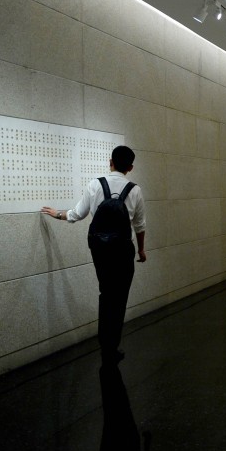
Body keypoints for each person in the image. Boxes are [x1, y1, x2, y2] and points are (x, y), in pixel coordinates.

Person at [42, 145, 147, 362]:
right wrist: (142, 249)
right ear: (130, 167)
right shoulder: (135, 190)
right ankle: (112, 347)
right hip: (122, 251)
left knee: (106, 293)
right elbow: (139, 225)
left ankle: (104, 344)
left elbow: (76, 214)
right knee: (119, 298)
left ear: (110, 162)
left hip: (100, 249)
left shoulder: (95, 185)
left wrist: (57, 214)